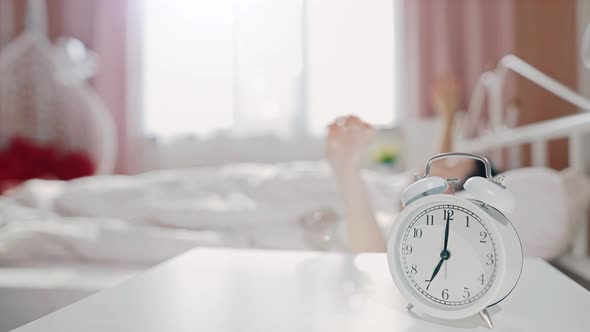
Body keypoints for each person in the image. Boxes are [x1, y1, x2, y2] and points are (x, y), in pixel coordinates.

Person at [325, 76, 496, 252]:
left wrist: (348, 171)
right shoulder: (397, 189)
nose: (438, 164)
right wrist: (447, 117)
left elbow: (373, 255)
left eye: (451, 167)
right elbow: (437, 163)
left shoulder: (422, 222)